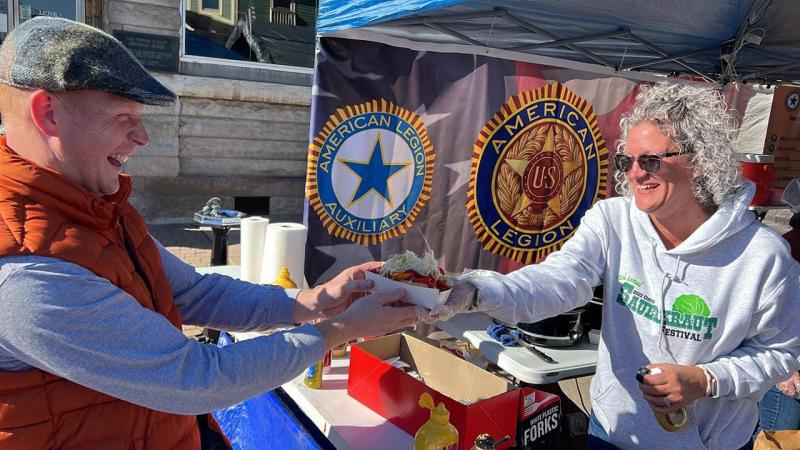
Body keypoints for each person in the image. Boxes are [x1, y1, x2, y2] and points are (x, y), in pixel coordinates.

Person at [0, 17, 421, 449]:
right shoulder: (27, 273)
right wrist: (340, 329)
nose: (142, 137)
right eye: (124, 117)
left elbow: (193, 293)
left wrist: (314, 301)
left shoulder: (94, 209)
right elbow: (196, 379)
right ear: (47, 113)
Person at [425, 83, 800, 450]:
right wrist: (475, 290)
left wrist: (705, 379)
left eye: (651, 160)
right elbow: (558, 280)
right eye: (628, 161)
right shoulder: (613, 220)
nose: (635, 174)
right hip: (613, 432)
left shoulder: (762, 256)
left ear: (698, 163)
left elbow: (780, 354)